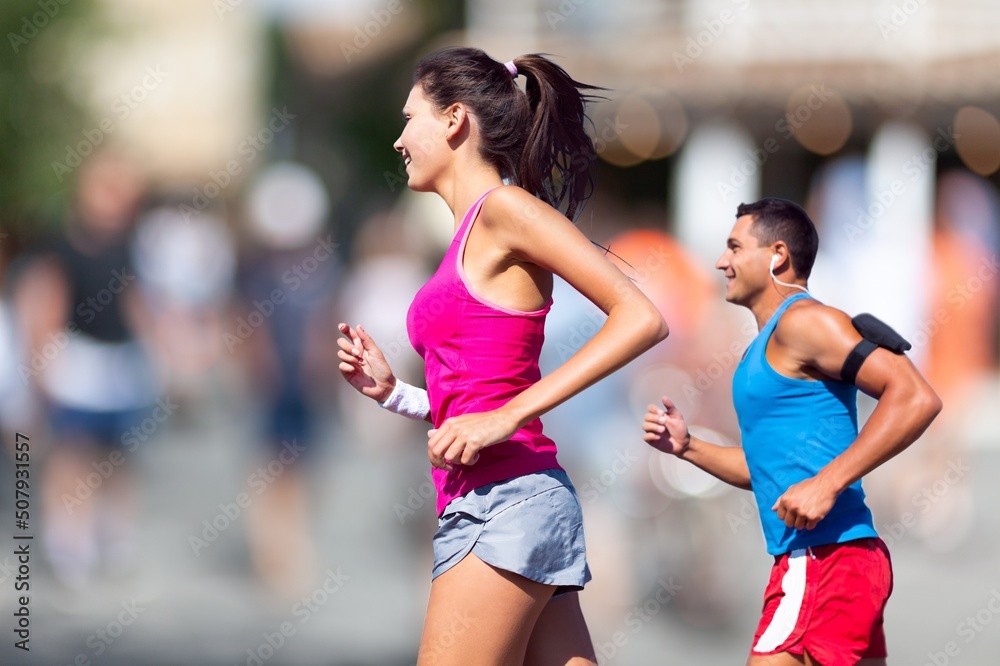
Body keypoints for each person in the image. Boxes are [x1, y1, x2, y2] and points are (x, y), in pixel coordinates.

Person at [337, 47, 668, 665]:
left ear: (455, 119)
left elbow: (641, 318)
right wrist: (396, 394)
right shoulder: (469, 231)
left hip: (503, 503)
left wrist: (508, 417)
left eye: (411, 118)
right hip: (505, 499)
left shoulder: (505, 211)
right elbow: (475, 399)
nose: (399, 139)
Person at [643, 198, 942, 666]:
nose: (722, 261)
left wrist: (827, 483)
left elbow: (916, 397)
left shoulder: (805, 322)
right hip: (831, 562)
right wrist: (688, 448)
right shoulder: (764, 347)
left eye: (735, 247)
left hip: (824, 560)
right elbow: (766, 469)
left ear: (777, 255)